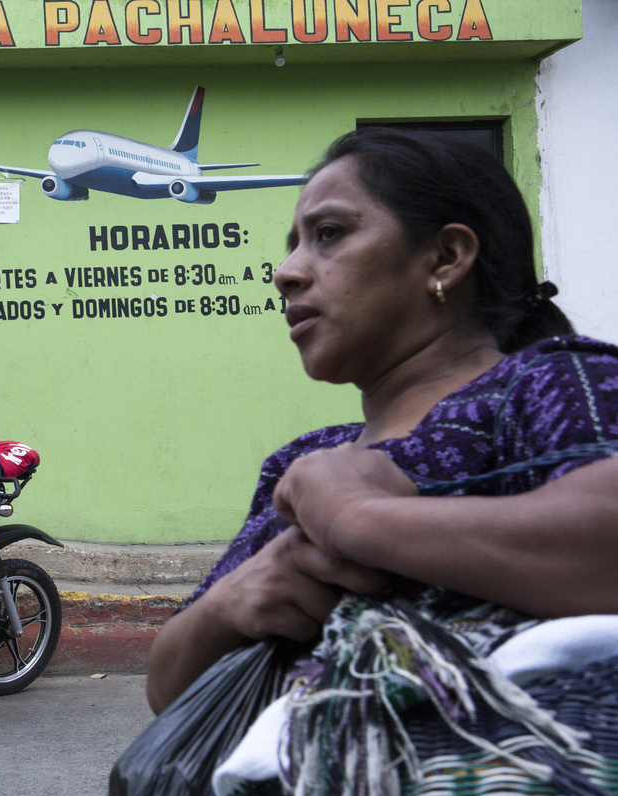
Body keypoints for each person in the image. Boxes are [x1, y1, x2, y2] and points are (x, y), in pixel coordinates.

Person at [146, 127, 618, 715]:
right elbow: (167, 696)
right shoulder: (302, 463)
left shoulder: (551, 384)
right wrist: (227, 607)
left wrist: (357, 517)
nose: (286, 271)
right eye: (293, 243)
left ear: (446, 257)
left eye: (328, 235)